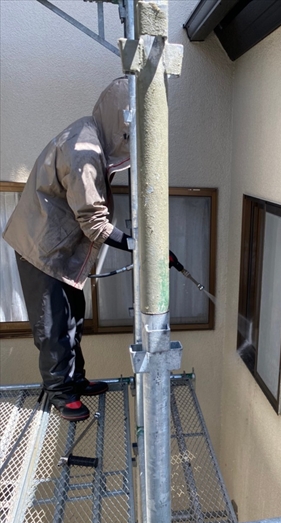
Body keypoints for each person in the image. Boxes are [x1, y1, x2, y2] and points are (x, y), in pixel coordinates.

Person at [2, 77, 133, 422]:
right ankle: (61, 393)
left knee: (73, 316)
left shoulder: (93, 136)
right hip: (41, 249)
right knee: (54, 325)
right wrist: (139, 247)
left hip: (60, 248)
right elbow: (94, 222)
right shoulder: (83, 150)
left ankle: (74, 380)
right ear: (122, 125)